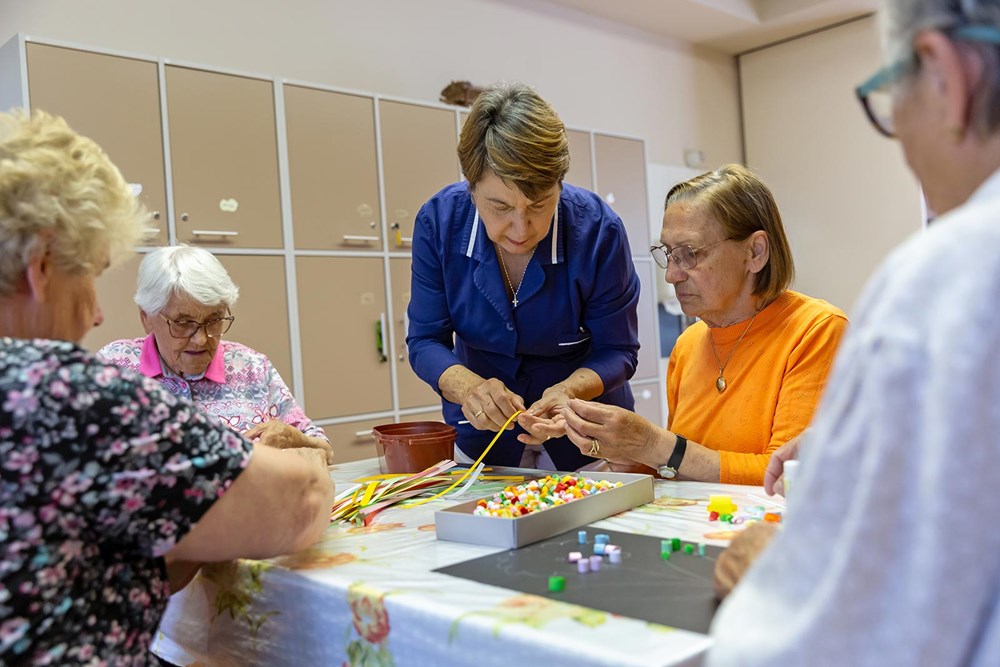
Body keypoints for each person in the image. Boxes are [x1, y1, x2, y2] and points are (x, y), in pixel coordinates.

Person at [708, 1, 1000, 664]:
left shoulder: (943, 281)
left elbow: (840, 635)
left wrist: (778, 581)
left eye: (892, 99)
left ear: (945, 75)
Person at [0, 110, 334, 664]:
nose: (96, 314)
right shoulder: (75, 394)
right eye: (87, 275)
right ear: (41, 268)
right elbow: (301, 501)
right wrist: (274, 465)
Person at [552, 164, 848, 484]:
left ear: (755, 252)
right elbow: (681, 467)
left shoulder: (817, 331)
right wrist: (628, 454)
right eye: (668, 253)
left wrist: (655, 445)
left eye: (689, 254)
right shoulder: (688, 344)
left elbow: (786, 477)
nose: (671, 274)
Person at [406, 81, 641, 471]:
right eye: (499, 206)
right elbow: (424, 340)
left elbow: (618, 350)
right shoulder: (439, 223)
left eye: (539, 205)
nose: (520, 228)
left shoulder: (599, 230)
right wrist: (470, 388)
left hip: (586, 434)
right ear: (471, 187)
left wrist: (569, 390)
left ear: (560, 185)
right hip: (483, 436)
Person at [97, 245, 333, 464]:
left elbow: (324, 450)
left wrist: (294, 437)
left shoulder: (251, 366)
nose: (201, 339)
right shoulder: (113, 368)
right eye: (182, 323)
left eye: (214, 320)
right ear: (146, 317)